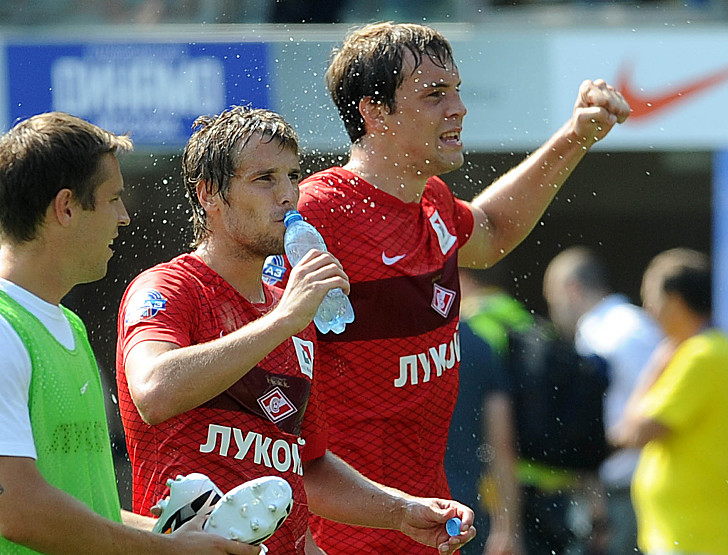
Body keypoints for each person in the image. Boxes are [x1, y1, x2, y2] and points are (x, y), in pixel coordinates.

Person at [296, 21, 630, 554]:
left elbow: (492, 231)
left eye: (456, 90)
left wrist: (575, 137)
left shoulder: (431, 200)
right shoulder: (318, 213)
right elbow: (265, 383)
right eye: (434, 94)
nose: (459, 108)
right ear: (375, 113)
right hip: (340, 539)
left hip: (427, 527)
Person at [115, 106, 476, 555]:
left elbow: (306, 466)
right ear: (209, 193)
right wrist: (284, 318)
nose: (288, 195)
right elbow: (153, 391)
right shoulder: (171, 287)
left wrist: (401, 511)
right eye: (265, 178)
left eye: (293, 176)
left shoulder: (293, 316)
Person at [0, 112, 261, 554]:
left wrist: (172, 535)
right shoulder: (5, 330)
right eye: (113, 199)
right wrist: (169, 552)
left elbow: (86, 508)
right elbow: (19, 510)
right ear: (66, 208)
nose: (123, 217)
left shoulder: (68, 325)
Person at [610, 248, 728, 555]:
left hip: (687, 538)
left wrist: (657, 365)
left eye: (650, 299)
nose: (648, 310)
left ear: (673, 301)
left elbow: (634, 431)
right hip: (719, 537)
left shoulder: (699, 358)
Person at [542, 246, 662, 554]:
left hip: (625, 492)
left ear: (571, 289)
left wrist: (605, 450)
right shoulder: (628, 325)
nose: (553, 312)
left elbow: (654, 407)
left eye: (552, 300)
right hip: (626, 486)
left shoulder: (612, 333)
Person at [445, 270, 522, 555]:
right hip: (466, 514)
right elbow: (501, 445)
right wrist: (507, 527)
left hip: (403, 508)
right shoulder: (479, 345)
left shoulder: (392, 344)